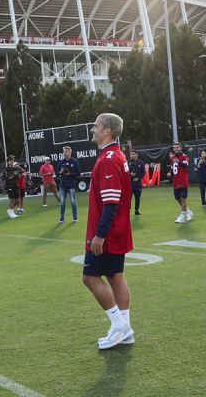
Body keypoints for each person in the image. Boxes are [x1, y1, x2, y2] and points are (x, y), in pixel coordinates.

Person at [82, 112, 134, 349]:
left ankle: (120, 326)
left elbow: (111, 202)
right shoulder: (113, 155)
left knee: (90, 277)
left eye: (96, 126)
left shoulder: (109, 158)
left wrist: (100, 234)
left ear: (107, 131)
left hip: (108, 233)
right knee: (115, 276)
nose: (93, 129)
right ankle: (125, 330)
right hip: (116, 230)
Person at [170, 142, 192, 223]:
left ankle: (182, 216)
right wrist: (170, 172)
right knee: (177, 198)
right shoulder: (172, 158)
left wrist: (178, 161)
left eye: (177, 147)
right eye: (174, 147)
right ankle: (188, 211)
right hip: (176, 181)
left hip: (183, 181)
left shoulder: (184, 156)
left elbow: (185, 165)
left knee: (183, 199)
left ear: (180, 148)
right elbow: (173, 169)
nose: (176, 149)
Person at [58, 145, 81, 224]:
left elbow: (78, 173)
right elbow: (57, 174)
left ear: (70, 152)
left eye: (66, 151)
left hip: (71, 184)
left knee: (73, 201)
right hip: (63, 184)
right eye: (64, 152)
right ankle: (62, 218)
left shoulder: (74, 161)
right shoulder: (61, 162)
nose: (64, 153)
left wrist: (70, 174)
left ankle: (75, 218)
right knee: (62, 201)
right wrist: (60, 172)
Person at [127, 142, 144, 216]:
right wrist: (130, 174)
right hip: (130, 184)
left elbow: (143, 173)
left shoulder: (141, 163)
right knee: (128, 198)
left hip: (138, 184)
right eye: (131, 154)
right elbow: (124, 173)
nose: (132, 155)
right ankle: (127, 211)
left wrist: (138, 178)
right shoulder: (127, 163)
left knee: (138, 198)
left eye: (133, 154)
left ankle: (136, 210)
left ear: (137, 154)